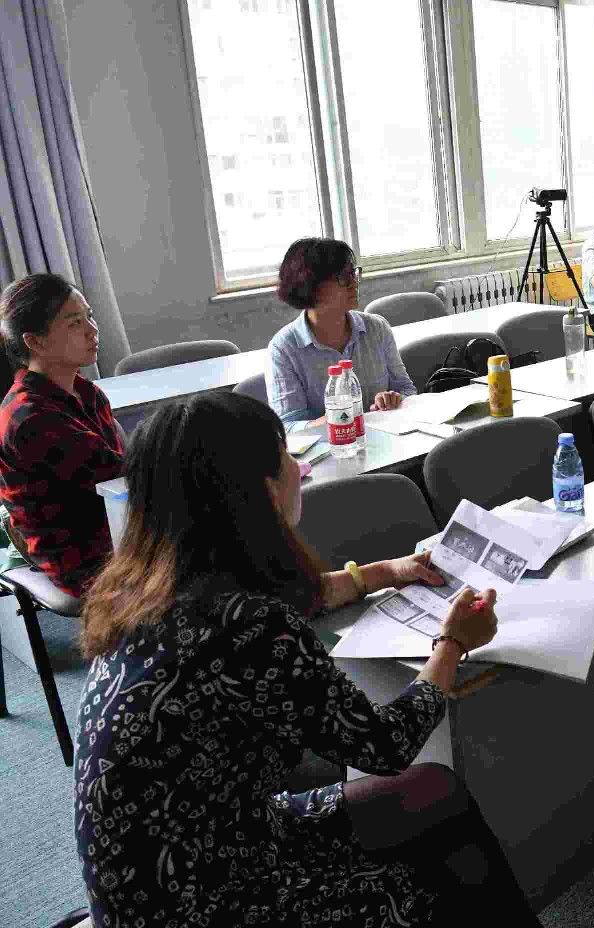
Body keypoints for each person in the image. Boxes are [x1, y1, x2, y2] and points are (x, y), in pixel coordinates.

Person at [74, 390, 542, 927]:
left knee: (438, 791)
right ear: (258, 491)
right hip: (203, 898)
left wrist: (385, 572)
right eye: (286, 459)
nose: (299, 470)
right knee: (437, 884)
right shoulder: (250, 628)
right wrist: (453, 643)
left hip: (187, 853)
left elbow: (294, 596)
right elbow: (385, 745)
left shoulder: (143, 588)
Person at [0, 273, 124, 597]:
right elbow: (117, 474)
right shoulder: (30, 418)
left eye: (90, 317)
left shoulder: (87, 391)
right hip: (81, 560)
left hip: (117, 529)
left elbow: (121, 481)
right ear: (35, 341)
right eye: (74, 324)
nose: (92, 330)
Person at [267, 237, 416, 423]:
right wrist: (339, 417)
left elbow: (407, 390)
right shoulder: (283, 348)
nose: (354, 282)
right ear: (310, 285)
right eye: (343, 277)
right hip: (329, 441)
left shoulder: (377, 328)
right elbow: (288, 426)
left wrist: (392, 400)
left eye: (353, 273)